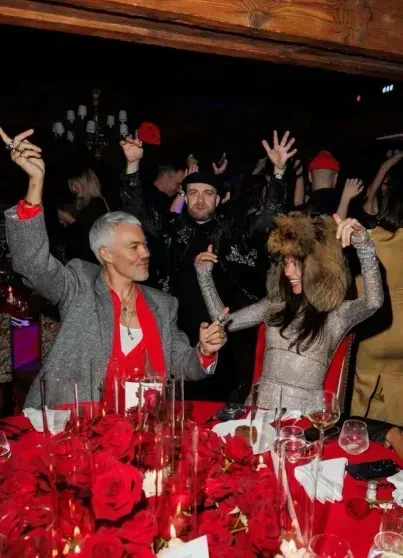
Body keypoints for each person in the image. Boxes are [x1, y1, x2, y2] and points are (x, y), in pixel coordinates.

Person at [0, 127, 227, 409]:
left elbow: (183, 366)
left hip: (141, 425)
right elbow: (32, 265)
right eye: (134, 246)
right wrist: (35, 182)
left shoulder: (163, 304)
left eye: (145, 244)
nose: (146, 253)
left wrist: (204, 350)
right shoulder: (79, 285)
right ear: (105, 253)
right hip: (76, 424)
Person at [195, 211, 383, 412]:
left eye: (296, 264)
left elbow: (373, 301)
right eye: (285, 263)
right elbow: (222, 323)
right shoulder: (275, 304)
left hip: (304, 420)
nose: (288, 272)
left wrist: (364, 246)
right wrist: (205, 278)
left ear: (318, 266)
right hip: (259, 415)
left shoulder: (335, 315)